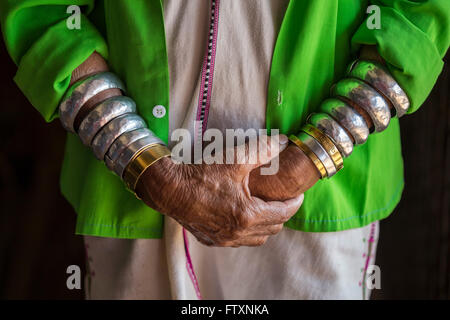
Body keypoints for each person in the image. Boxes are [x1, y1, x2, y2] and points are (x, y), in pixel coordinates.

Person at [1, 0, 449, 299]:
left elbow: (417, 14)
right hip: (133, 197)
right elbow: (43, 13)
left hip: (314, 207)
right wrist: (155, 175)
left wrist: (307, 159)